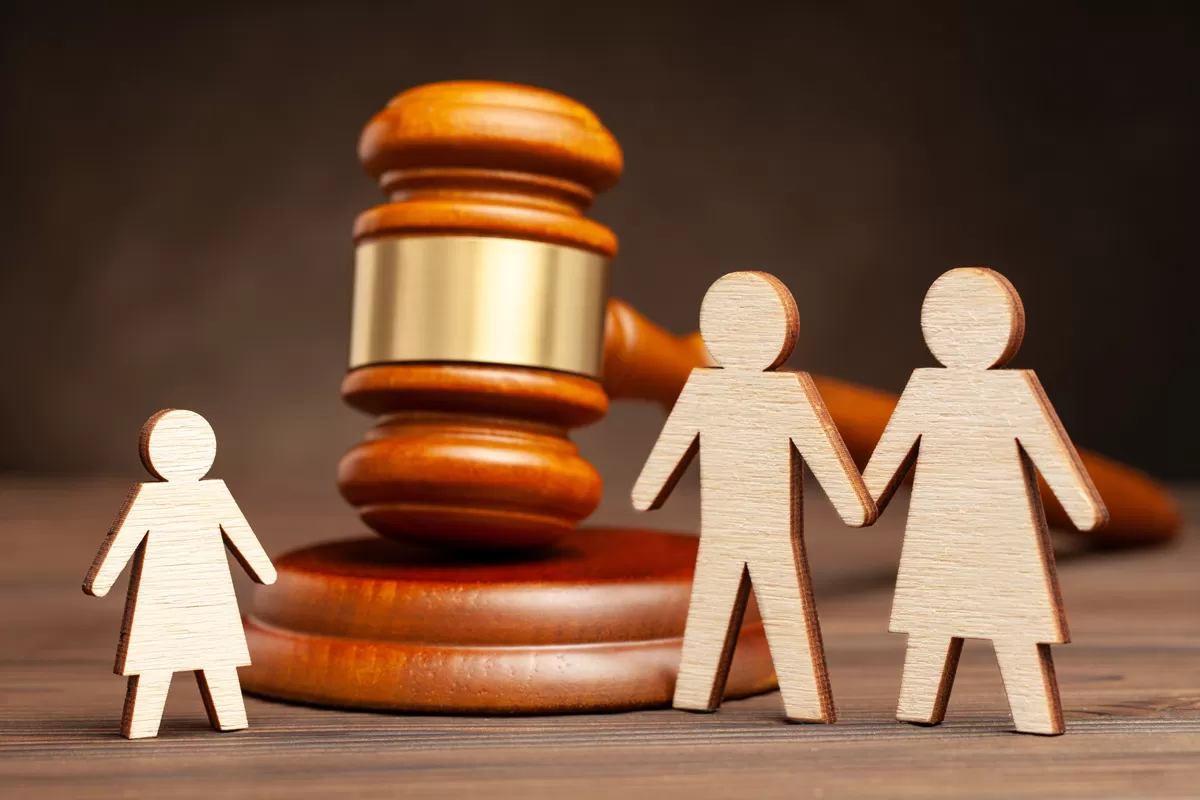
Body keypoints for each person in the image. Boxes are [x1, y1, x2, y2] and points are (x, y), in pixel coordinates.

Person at [863, 267, 1107, 735]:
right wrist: (866, 500)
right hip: (944, 537)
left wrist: (1081, 507)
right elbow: (889, 458)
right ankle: (919, 704)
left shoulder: (1011, 390)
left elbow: (1050, 452)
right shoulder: (927, 389)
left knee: (1010, 625)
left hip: (998, 536)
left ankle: (1031, 715)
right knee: (937, 623)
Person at [633, 271, 876, 722]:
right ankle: (706, 690)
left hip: (763, 532)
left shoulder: (776, 392)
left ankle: (797, 700)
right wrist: (855, 502)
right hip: (732, 530)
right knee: (727, 607)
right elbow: (673, 450)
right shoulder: (709, 389)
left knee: (773, 607)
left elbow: (820, 451)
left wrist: (852, 502)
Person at [83, 409, 277, 738]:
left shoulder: (211, 495)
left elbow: (240, 535)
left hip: (204, 598)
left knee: (211, 659)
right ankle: (146, 724)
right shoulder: (153, 498)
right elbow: (124, 540)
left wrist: (262, 569)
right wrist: (100, 580)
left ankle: (227, 717)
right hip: (165, 599)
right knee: (162, 661)